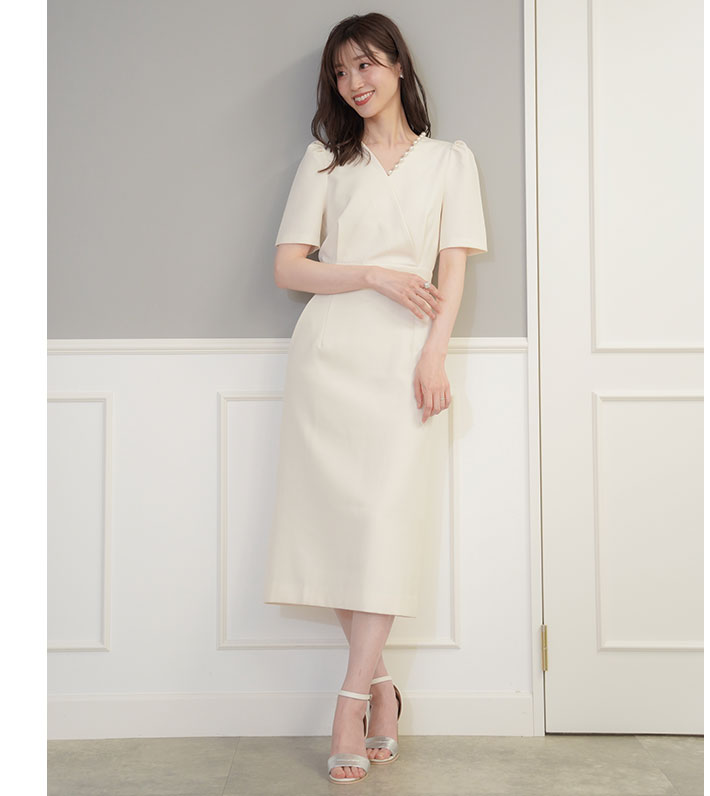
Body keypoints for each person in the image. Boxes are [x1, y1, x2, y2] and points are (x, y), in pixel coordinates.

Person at [263, 12, 488, 784]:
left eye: (365, 64)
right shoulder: (327, 160)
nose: (354, 82)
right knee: (337, 528)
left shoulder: (451, 161)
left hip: (403, 362)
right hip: (329, 357)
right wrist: (369, 273)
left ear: (397, 65)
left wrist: (435, 355)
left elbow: (452, 270)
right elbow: (288, 267)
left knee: (383, 524)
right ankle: (380, 690)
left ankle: (350, 699)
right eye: (340, 71)